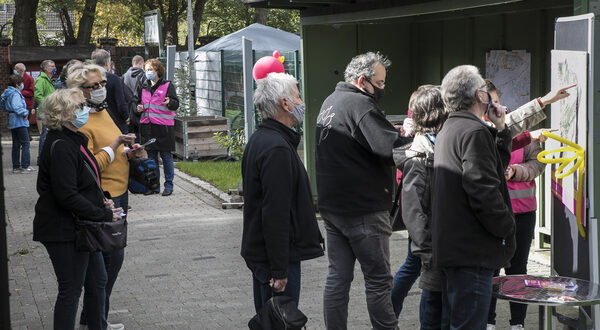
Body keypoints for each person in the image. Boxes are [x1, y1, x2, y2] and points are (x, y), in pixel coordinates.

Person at [316, 52, 408, 330]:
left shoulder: (331, 102)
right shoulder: (361, 104)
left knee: (337, 278)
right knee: (379, 280)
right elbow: (390, 148)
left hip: (333, 209)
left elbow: (361, 141)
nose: (382, 88)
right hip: (364, 211)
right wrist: (412, 138)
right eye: (378, 83)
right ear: (361, 80)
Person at [431, 65, 515, 329]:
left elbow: (492, 171)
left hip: (454, 249)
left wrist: (501, 129)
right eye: (485, 90)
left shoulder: (451, 128)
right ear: (480, 95)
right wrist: (507, 226)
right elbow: (483, 190)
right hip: (471, 251)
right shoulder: (474, 131)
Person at [33, 88, 123, 330]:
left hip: (82, 226)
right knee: (71, 290)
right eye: (79, 106)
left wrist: (102, 199)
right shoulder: (61, 144)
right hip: (63, 230)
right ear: (63, 115)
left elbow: (86, 179)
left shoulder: (75, 139)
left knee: (97, 281)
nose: (85, 109)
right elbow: (66, 195)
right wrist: (103, 213)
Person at [241, 72, 324, 312]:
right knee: (280, 320)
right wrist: (279, 270)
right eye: (297, 97)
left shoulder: (262, 139)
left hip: (266, 255)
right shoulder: (276, 148)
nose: (301, 103)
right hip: (276, 260)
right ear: (285, 104)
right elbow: (275, 212)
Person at [67, 64, 138, 330]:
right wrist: (117, 145)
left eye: (101, 84)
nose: (99, 90)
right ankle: (94, 320)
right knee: (108, 263)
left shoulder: (102, 109)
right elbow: (89, 167)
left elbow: (112, 147)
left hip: (120, 193)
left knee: (111, 263)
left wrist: (129, 151)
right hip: (103, 198)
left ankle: (95, 318)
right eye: (92, 86)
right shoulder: (79, 121)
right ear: (78, 91)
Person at [485, 81, 547, 330]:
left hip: (523, 211)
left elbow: (538, 163)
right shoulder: (485, 132)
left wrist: (517, 171)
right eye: (493, 102)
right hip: (495, 211)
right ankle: (488, 320)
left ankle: (518, 322)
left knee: (518, 268)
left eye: (498, 101)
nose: (498, 106)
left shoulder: (525, 133)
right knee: (491, 268)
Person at [392, 85, 449, 329]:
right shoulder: (419, 156)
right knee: (430, 293)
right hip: (430, 244)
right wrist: (426, 249)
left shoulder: (446, 145)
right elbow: (413, 212)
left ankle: (388, 311)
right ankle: (388, 313)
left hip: (444, 241)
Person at [136, 59, 179, 196]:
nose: (148, 73)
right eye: (146, 70)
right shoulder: (143, 87)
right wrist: (138, 108)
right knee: (152, 158)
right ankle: (154, 186)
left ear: (158, 71)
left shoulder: (167, 85)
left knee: (166, 157)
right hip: (148, 127)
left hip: (163, 129)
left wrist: (170, 102)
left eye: (151, 70)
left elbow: (176, 103)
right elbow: (136, 103)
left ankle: (169, 185)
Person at [91, 49, 129, 134]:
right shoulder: (113, 79)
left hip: (94, 121)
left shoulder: (86, 78)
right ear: (107, 62)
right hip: (115, 121)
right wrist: (126, 117)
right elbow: (121, 103)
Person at [1, 74, 34, 173]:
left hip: (12, 121)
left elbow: (3, 105)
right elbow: (17, 107)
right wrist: (25, 112)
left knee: (16, 144)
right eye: (21, 83)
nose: (22, 84)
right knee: (25, 143)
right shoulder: (15, 94)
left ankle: (16, 167)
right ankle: (25, 166)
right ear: (17, 84)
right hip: (20, 121)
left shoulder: (7, 93)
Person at [34, 59, 56, 164]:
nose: (54, 68)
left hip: (49, 111)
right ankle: (41, 159)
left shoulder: (48, 79)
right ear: (46, 68)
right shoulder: (41, 79)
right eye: (52, 66)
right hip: (45, 112)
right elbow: (38, 95)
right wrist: (48, 106)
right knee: (44, 136)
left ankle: (45, 157)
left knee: (47, 135)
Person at [122, 55, 147, 139]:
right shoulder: (144, 76)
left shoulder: (124, 76)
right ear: (141, 63)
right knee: (141, 136)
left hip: (128, 110)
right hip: (141, 109)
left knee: (130, 136)